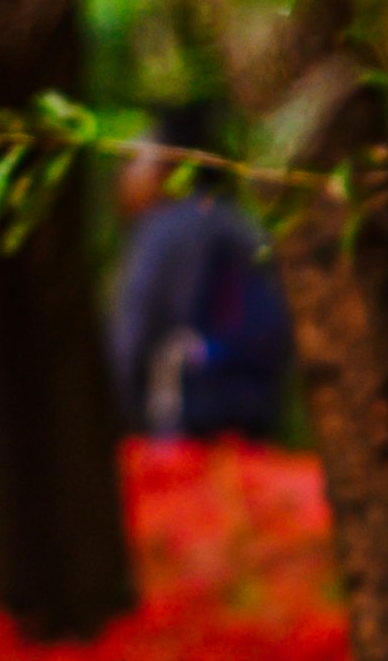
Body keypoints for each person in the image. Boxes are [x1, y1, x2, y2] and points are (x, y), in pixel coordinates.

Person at [106, 102, 294, 444]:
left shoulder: (164, 230)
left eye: (133, 160)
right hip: (256, 419)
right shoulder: (240, 225)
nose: (123, 175)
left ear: (167, 166)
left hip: (183, 425)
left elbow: (132, 338)